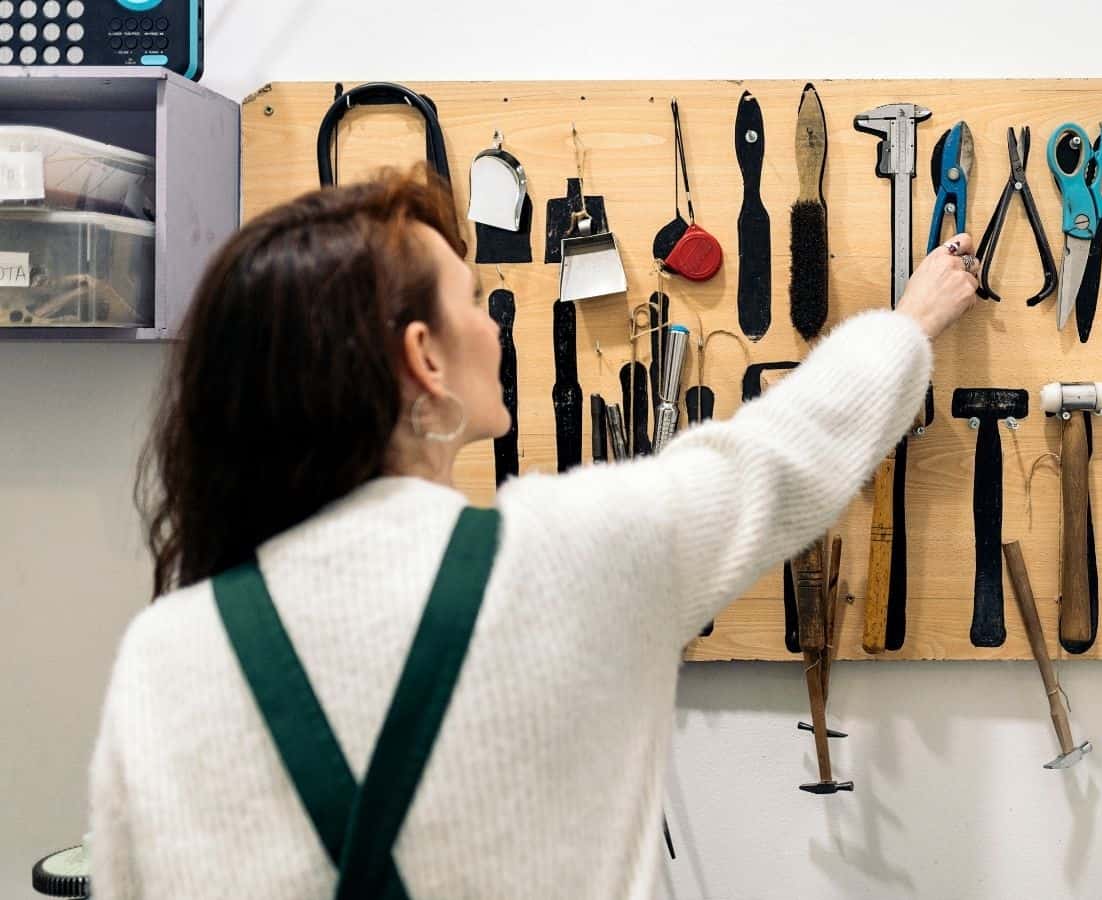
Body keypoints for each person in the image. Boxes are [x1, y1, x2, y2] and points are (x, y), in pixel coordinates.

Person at [88, 171, 978, 898]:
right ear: (424, 360)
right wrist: (910, 323)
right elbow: (784, 455)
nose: (492, 325)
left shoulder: (164, 654)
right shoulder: (572, 559)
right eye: (473, 300)